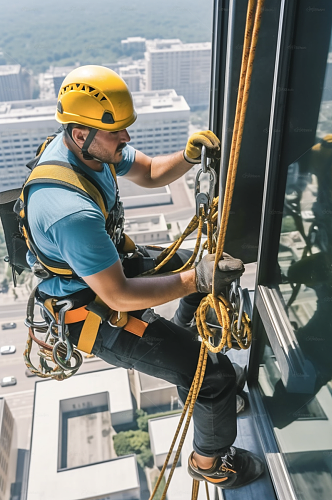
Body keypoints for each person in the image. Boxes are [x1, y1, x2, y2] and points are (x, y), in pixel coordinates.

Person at [25, 65, 264, 488]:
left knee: (211, 263)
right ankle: (210, 464)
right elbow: (117, 297)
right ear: (81, 134)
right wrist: (196, 282)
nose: (127, 139)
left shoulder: (86, 151)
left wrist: (188, 157)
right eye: (117, 132)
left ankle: (190, 355)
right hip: (94, 313)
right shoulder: (69, 209)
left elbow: (151, 172)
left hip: (107, 270)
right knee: (215, 376)